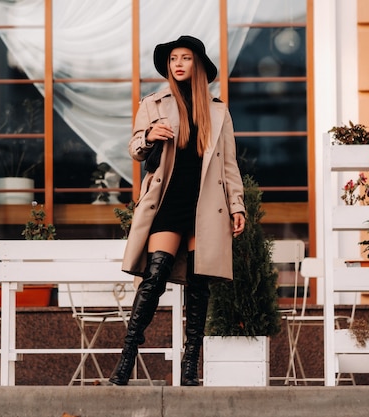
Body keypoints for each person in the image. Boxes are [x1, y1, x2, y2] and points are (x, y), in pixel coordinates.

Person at [109, 35, 246, 386]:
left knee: (199, 289)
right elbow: (135, 149)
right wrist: (150, 135)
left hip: (206, 206)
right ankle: (126, 360)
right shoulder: (153, 104)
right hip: (168, 201)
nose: (179, 64)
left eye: (185, 58)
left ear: (197, 65)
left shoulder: (217, 110)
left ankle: (189, 368)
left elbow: (229, 165)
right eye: (173, 59)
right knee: (153, 278)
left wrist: (236, 205)